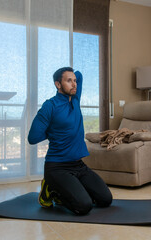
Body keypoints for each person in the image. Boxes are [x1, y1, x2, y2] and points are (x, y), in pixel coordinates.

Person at [28, 67, 112, 215]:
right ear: (58, 85)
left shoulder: (75, 99)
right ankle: (51, 190)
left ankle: (67, 189)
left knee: (106, 199)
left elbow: (79, 74)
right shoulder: (50, 106)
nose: (74, 84)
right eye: (69, 81)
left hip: (78, 165)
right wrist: (54, 132)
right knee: (84, 206)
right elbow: (33, 138)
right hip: (57, 168)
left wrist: (70, 75)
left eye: (74, 81)